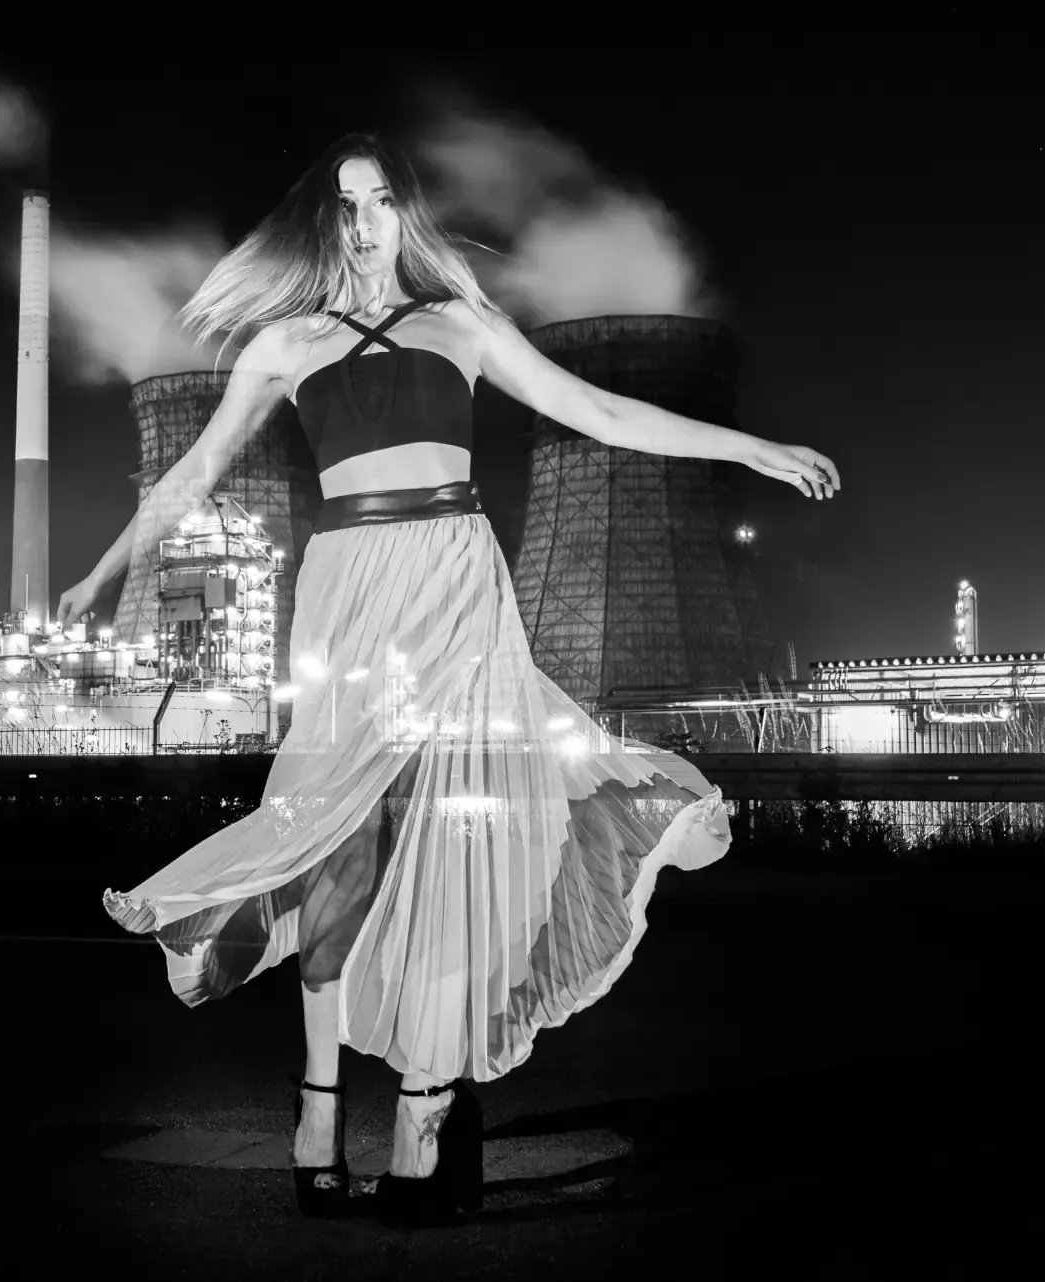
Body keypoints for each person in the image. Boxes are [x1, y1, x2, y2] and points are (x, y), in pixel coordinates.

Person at [56, 134, 839, 1225]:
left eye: (382, 200)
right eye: (346, 205)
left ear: (405, 214)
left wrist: (748, 449)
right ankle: (318, 1116)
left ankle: (424, 1117)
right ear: (320, 223)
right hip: (349, 588)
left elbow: (599, 411)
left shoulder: (459, 322)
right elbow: (191, 472)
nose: (366, 222)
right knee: (335, 842)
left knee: (451, 842)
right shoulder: (283, 344)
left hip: (456, 578)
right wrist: (103, 572)